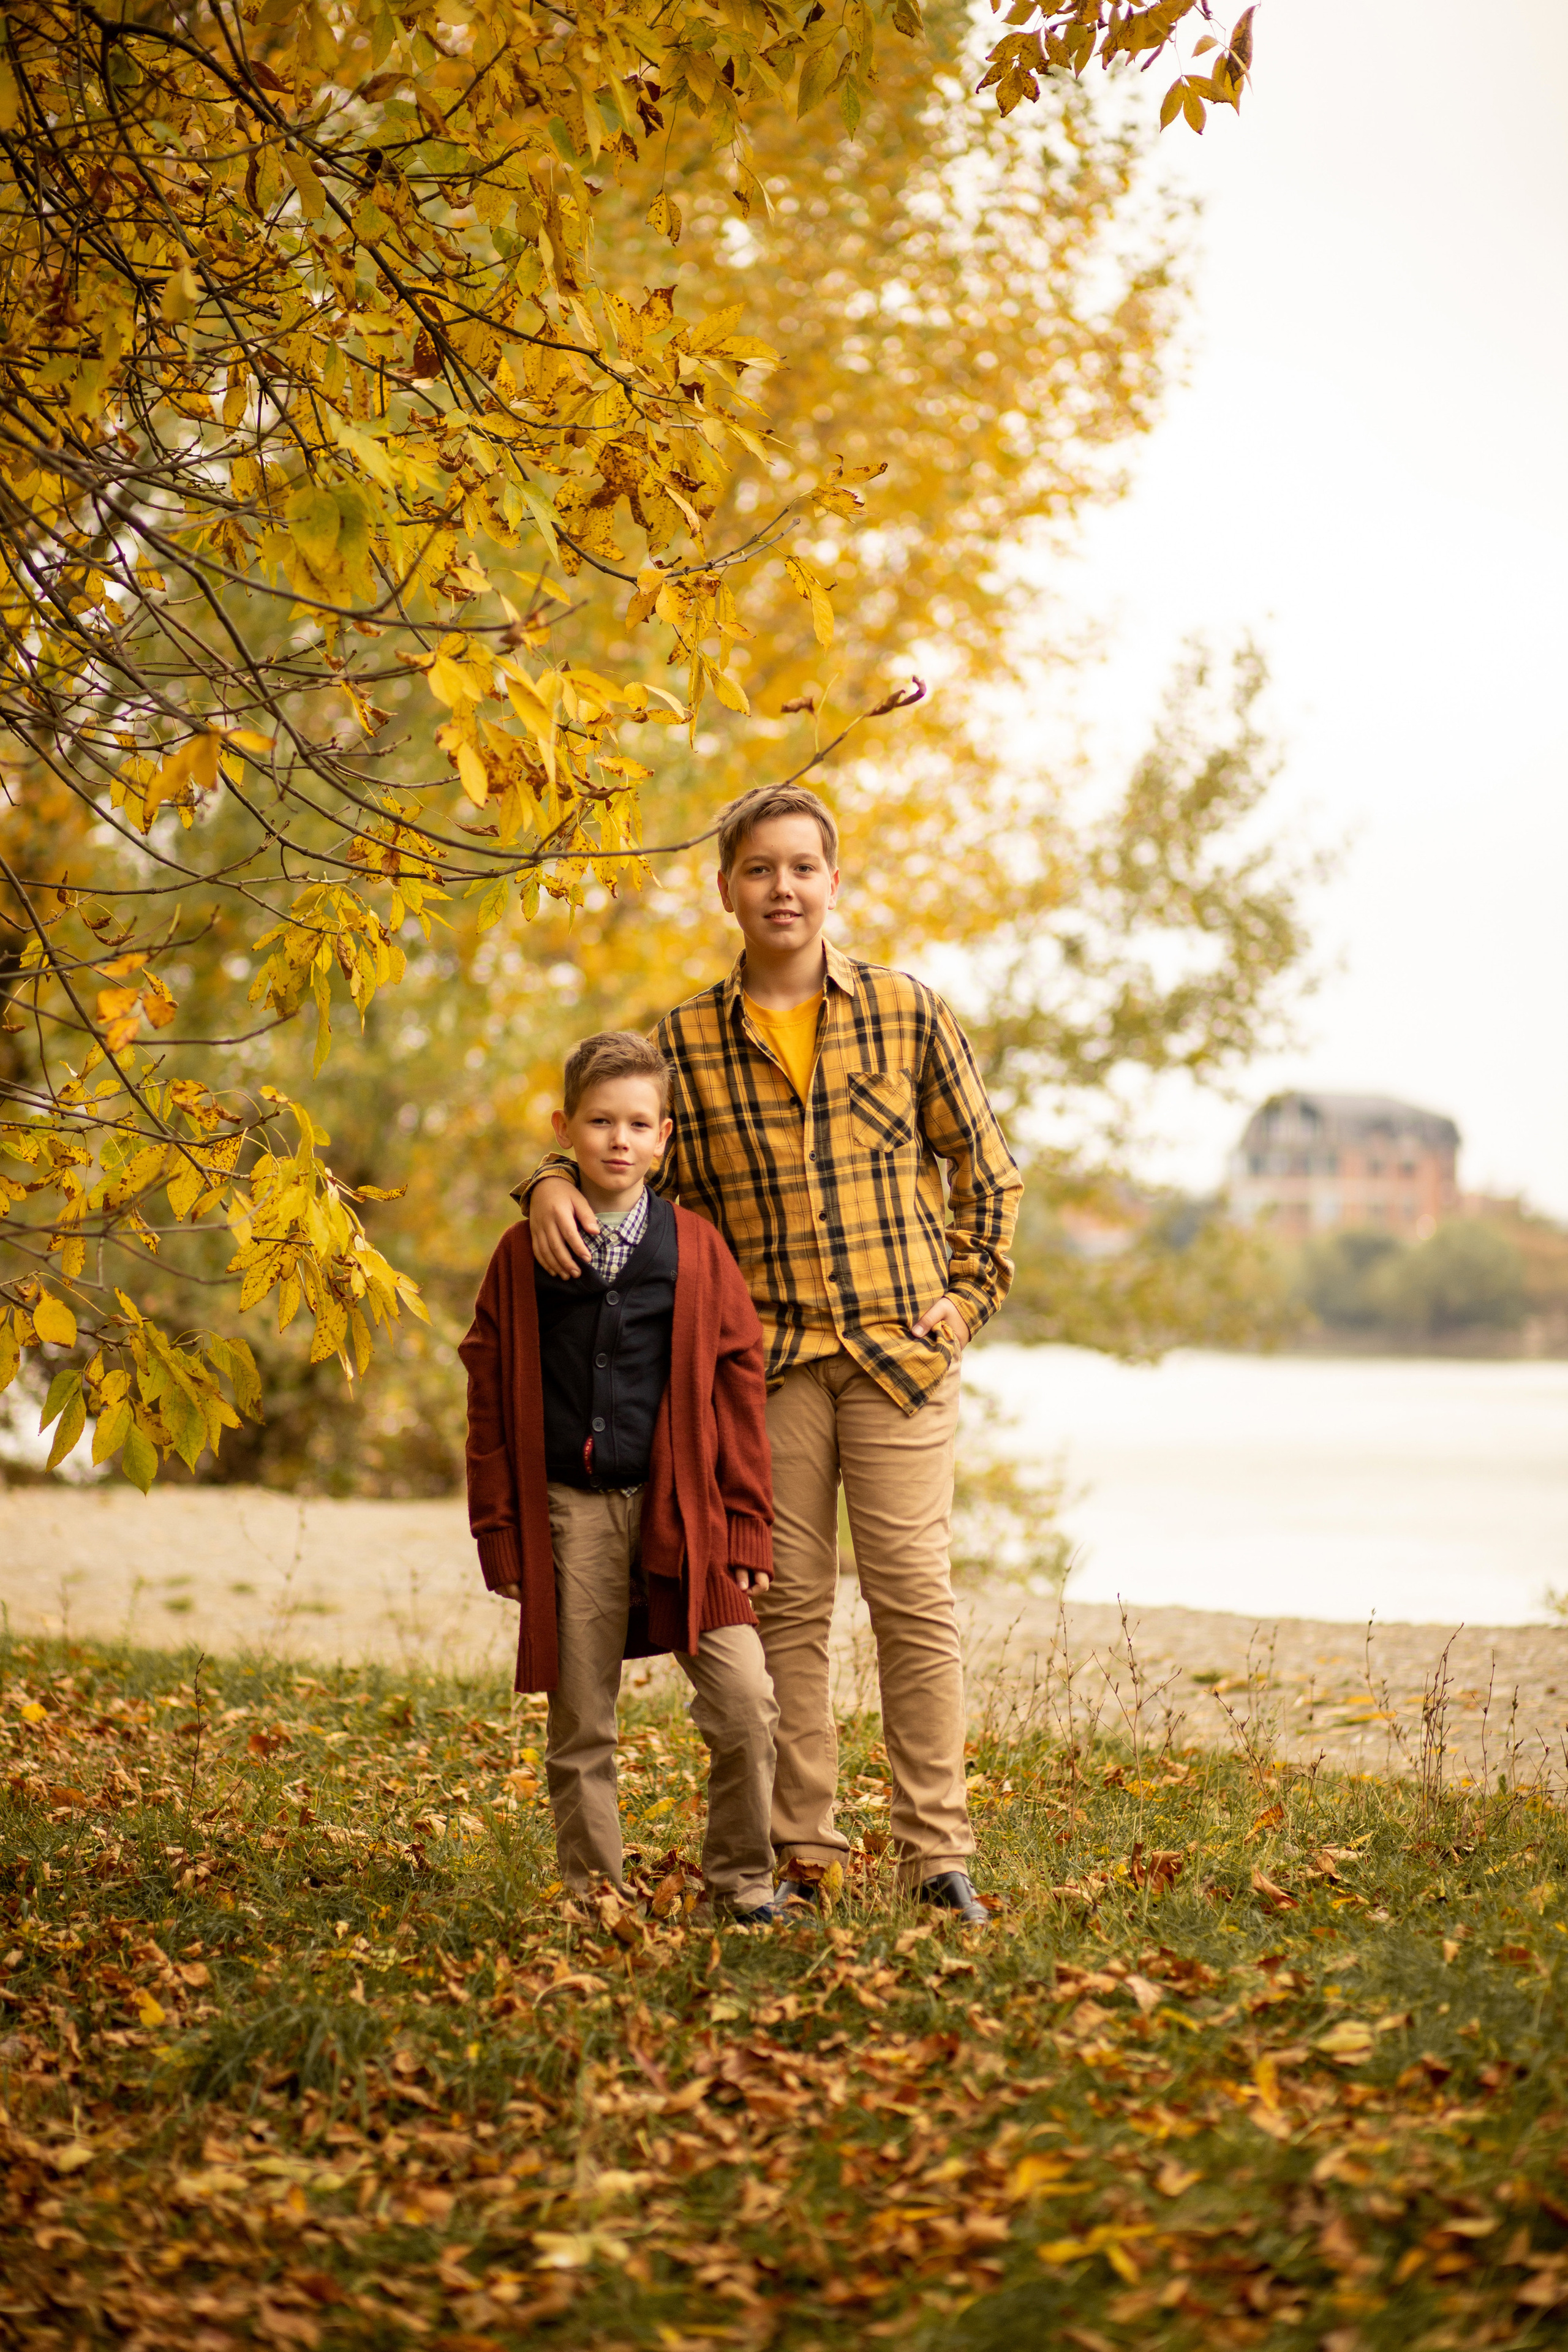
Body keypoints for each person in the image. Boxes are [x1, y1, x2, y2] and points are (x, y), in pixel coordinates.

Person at [522, 785, 1023, 1924]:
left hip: (902, 1358)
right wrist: (546, 1180)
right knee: (786, 1606)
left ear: (834, 883)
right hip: (773, 1367)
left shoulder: (906, 1012)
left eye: (803, 868)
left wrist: (965, 1298)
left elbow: (984, 1169)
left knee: (912, 1600)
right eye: (759, 870)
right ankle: (805, 1847)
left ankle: (935, 1853)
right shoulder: (688, 1040)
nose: (783, 889)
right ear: (727, 891)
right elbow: (620, 1152)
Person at [460, 1028, 783, 1926]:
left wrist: (749, 1523)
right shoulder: (518, 1256)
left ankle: (743, 1886)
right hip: (569, 1513)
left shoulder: (698, 1250)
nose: (618, 1140)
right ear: (565, 1127)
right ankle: (597, 1896)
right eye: (599, 1121)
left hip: (686, 1510)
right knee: (583, 1725)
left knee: (746, 1701)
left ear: (665, 1137)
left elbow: (739, 1385)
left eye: (638, 1124)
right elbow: (488, 1399)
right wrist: (500, 1531)